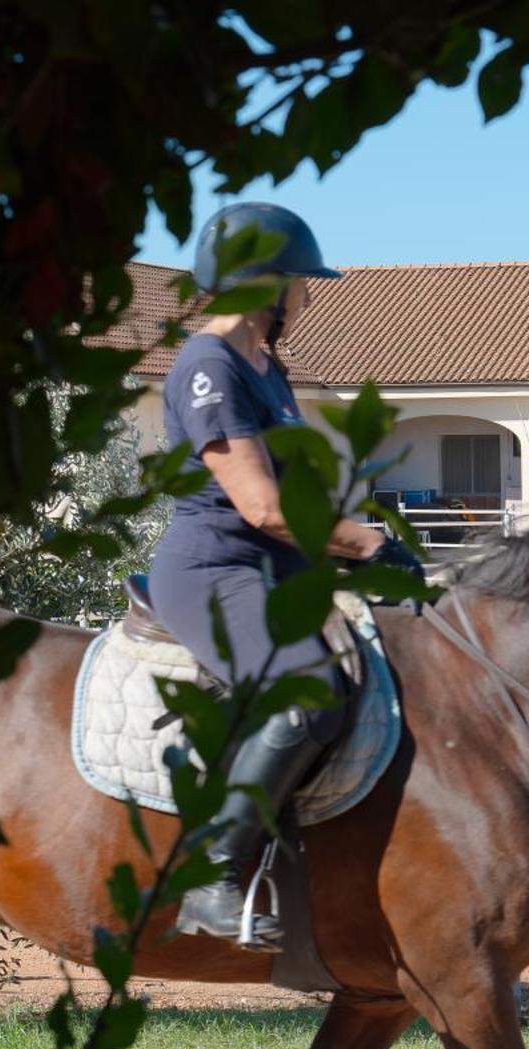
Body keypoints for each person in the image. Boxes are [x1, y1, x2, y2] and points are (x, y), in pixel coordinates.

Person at [148, 201, 423, 948]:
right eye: (298, 283)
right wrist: (363, 543)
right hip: (215, 567)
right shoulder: (208, 366)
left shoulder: (267, 368)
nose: (304, 295)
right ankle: (210, 879)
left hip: (276, 567)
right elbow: (261, 505)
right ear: (264, 284)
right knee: (306, 692)